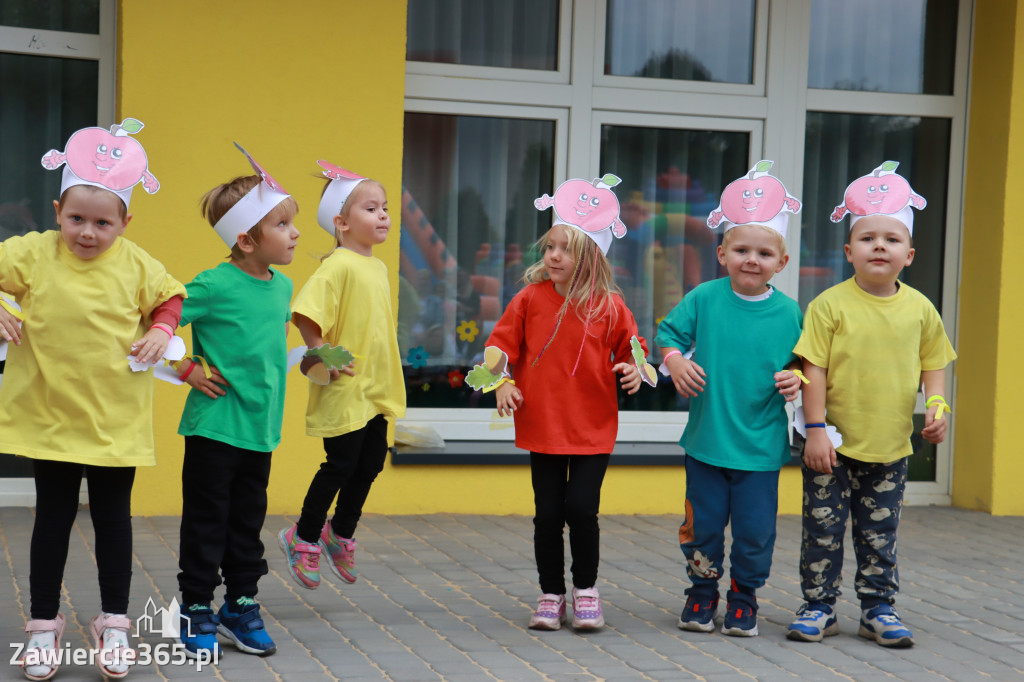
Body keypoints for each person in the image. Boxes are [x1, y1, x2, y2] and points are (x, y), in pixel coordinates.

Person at [0, 119, 185, 680]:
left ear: (126, 222)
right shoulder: (33, 255)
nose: (88, 232)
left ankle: (115, 621)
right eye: (76, 219)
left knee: (113, 520)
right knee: (51, 520)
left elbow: (171, 295)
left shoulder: (135, 263)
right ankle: (42, 625)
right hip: (51, 418)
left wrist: (161, 327)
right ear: (57, 211)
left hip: (114, 423)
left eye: (103, 222)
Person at [786, 161, 956, 648]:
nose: (879, 245)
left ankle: (878, 608)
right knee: (822, 531)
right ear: (848, 251)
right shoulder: (829, 305)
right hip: (831, 445)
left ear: (909, 254)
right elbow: (811, 368)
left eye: (891, 239)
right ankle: (818, 606)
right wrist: (815, 429)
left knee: (880, 534)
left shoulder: (921, 308)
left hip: (890, 448)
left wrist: (937, 406)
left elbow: (933, 365)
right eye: (867, 238)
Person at [475, 173, 646, 632]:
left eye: (565, 249)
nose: (552, 256)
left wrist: (632, 368)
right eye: (549, 246)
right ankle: (551, 594)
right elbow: (498, 349)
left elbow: (635, 349)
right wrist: (502, 384)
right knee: (548, 513)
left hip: (592, 429)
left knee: (581, 511)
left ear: (590, 254)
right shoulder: (529, 299)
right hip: (543, 426)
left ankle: (585, 591)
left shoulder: (610, 306)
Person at [655, 161, 804, 637]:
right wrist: (675, 362)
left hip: (760, 451)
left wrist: (797, 379)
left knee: (756, 534)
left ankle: (744, 598)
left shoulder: (789, 314)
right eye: (741, 249)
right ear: (722, 253)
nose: (751, 260)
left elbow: (808, 364)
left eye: (764, 253)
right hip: (706, 444)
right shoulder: (704, 298)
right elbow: (668, 335)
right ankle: (701, 594)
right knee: (701, 528)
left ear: (781, 262)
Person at [174, 144, 300, 659]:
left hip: (260, 429)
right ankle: (196, 607)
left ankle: (240, 605)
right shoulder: (212, 284)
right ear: (246, 240)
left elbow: (266, 353)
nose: (295, 233)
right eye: (283, 225)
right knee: (207, 522)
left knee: (247, 525)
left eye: (292, 222)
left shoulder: (282, 285)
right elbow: (153, 320)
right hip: (214, 429)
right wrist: (184, 369)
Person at [279, 161, 405, 591]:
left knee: (370, 463)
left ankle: (341, 532)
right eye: (371, 208)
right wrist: (321, 355)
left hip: (375, 387)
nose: (384, 215)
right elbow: (305, 315)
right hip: (346, 385)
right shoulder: (338, 265)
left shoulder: (378, 267)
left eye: (385, 207)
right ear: (342, 223)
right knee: (341, 464)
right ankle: (305, 535)